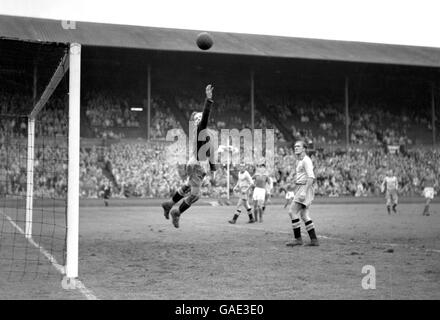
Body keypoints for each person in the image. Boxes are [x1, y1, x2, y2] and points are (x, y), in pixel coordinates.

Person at [161, 85, 216, 228]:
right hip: (197, 165)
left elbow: (209, 152)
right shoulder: (201, 130)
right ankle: (177, 212)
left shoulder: (203, 135)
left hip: (195, 164)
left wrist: (213, 168)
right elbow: (205, 117)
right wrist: (208, 100)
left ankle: (169, 204)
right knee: (195, 195)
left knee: (187, 187)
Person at [286, 140, 319, 247]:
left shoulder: (306, 160)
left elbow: (311, 177)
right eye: (295, 146)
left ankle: (298, 239)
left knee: (292, 211)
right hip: (301, 187)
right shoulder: (300, 161)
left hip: (305, 188)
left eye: (298, 146)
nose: (296, 148)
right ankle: (314, 240)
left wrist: (304, 191)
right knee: (304, 215)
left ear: (304, 149)